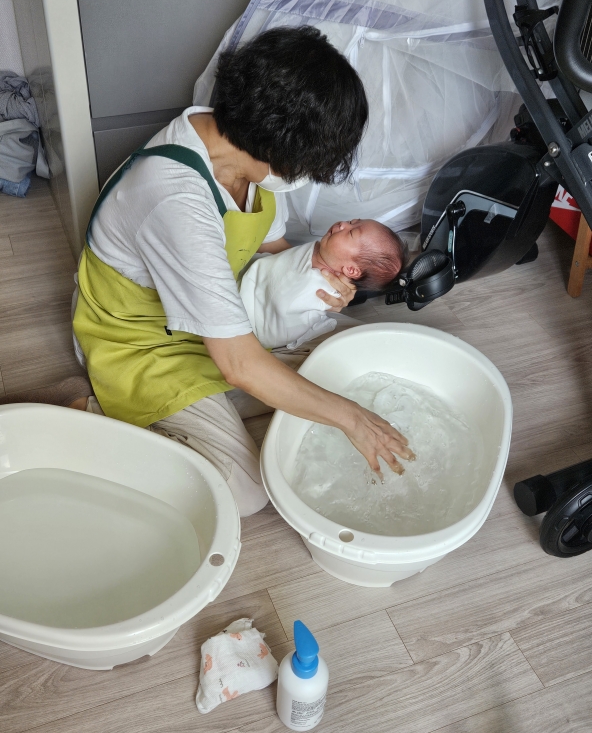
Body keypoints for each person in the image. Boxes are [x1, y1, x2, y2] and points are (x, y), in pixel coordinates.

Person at [2, 27, 414, 517]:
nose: (305, 176)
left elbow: (271, 247)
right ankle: (81, 411)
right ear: (280, 146)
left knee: (347, 352)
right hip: (141, 343)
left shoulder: (249, 161)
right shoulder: (174, 197)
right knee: (240, 490)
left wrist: (317, 280)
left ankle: (209, 407)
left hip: (218, 317)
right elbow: (238, 361)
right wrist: (352, 420)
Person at [239, 219, 407, 350]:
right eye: (352, 221)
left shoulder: (322, 289)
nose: (343, 224)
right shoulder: (321, 254)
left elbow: (281, 299)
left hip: (254, 322)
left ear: (351, 270)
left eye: (351, 232)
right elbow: (282, 264)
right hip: (254, 281)